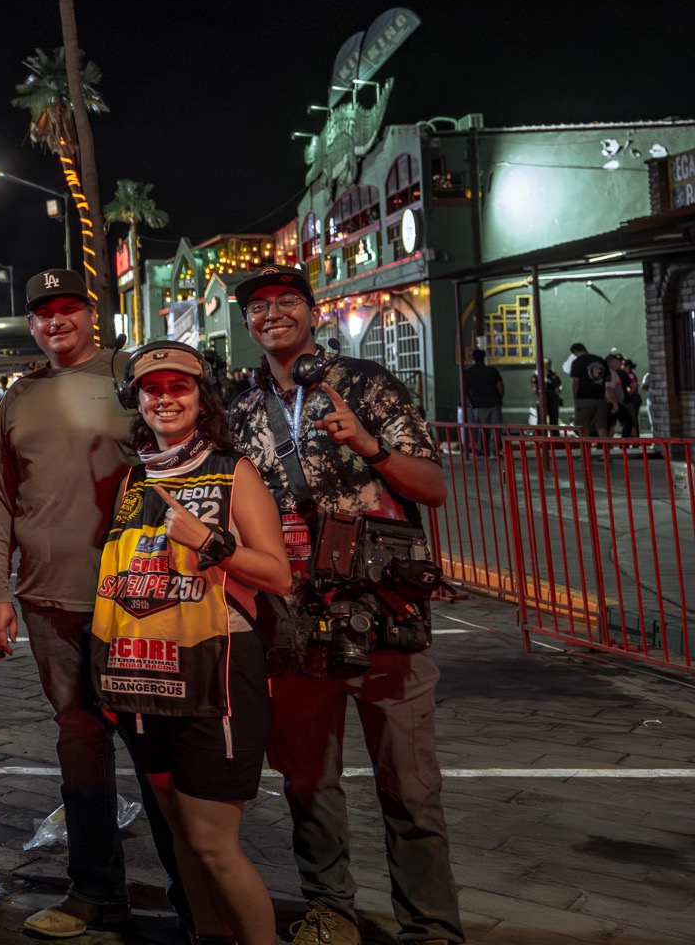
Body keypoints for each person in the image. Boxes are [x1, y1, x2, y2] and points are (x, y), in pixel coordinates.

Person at [226, 265, 461, 945]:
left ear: (311, 311)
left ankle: (431, 928)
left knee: (410, 785)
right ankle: (331, 908)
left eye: (286, 301)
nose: (272, 313)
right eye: (258, 305)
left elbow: (432, 487)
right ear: (247, 323)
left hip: (384, 610)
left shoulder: (367, 383)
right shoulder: (240, 409)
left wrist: (370, 446)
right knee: (306, 779)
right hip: (291, 619)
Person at [0, 269, 181, 940]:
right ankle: (96, 891)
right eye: (44, 313)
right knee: (79, 738)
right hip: (48, 599)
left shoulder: (133, 377)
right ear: (31, 323)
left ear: (92, 314)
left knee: (155, 744)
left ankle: (195, 894)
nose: (57, 322)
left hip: (137, 599)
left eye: (69, 308)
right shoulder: (19, 397)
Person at [91, 343, 292, 945]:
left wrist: (208, 540)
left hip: (217, 672)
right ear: (136, 401)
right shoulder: (133, 478)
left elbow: (278, 574)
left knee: (212, 840)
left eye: (179, 387)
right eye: (152, 389)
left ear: (203, 399)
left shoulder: (234, 471)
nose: (165, 399)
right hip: (141, 674)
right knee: (179, 826)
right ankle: (210, 936)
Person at [460, 348, 505, 455]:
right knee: (496, 429)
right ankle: (494, 450)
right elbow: (500, 387)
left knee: (482, 429)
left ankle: (483, 450)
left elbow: (465, 391)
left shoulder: (468, 373)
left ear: (473, 358)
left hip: (478, 404)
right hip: (494, 403)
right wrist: (500, 400)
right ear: (484, 357)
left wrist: (472, 403)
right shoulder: (492, 371)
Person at [564, 342, 610, 438]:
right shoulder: (600, 360)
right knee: (602, 427)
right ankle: (606, 446)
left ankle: (586, 447)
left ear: (575, 352)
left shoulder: (577, 362)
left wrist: (576, 399)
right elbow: (609, 378)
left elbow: (576, 383)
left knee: (583, 427)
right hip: (600, 397)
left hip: (584, 398)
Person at [534, 358, 563, 426]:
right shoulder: (537, 375)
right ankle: (541, 432)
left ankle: (554, 432)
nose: (548, 366)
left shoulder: (553, 374)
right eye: (546, 364)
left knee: (554, 418)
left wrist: (559, 389)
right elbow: (534, 387)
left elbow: (559, 384)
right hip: (543, 397)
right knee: (541, 419)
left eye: (549, 364)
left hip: (553, 397)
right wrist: (537, 398)